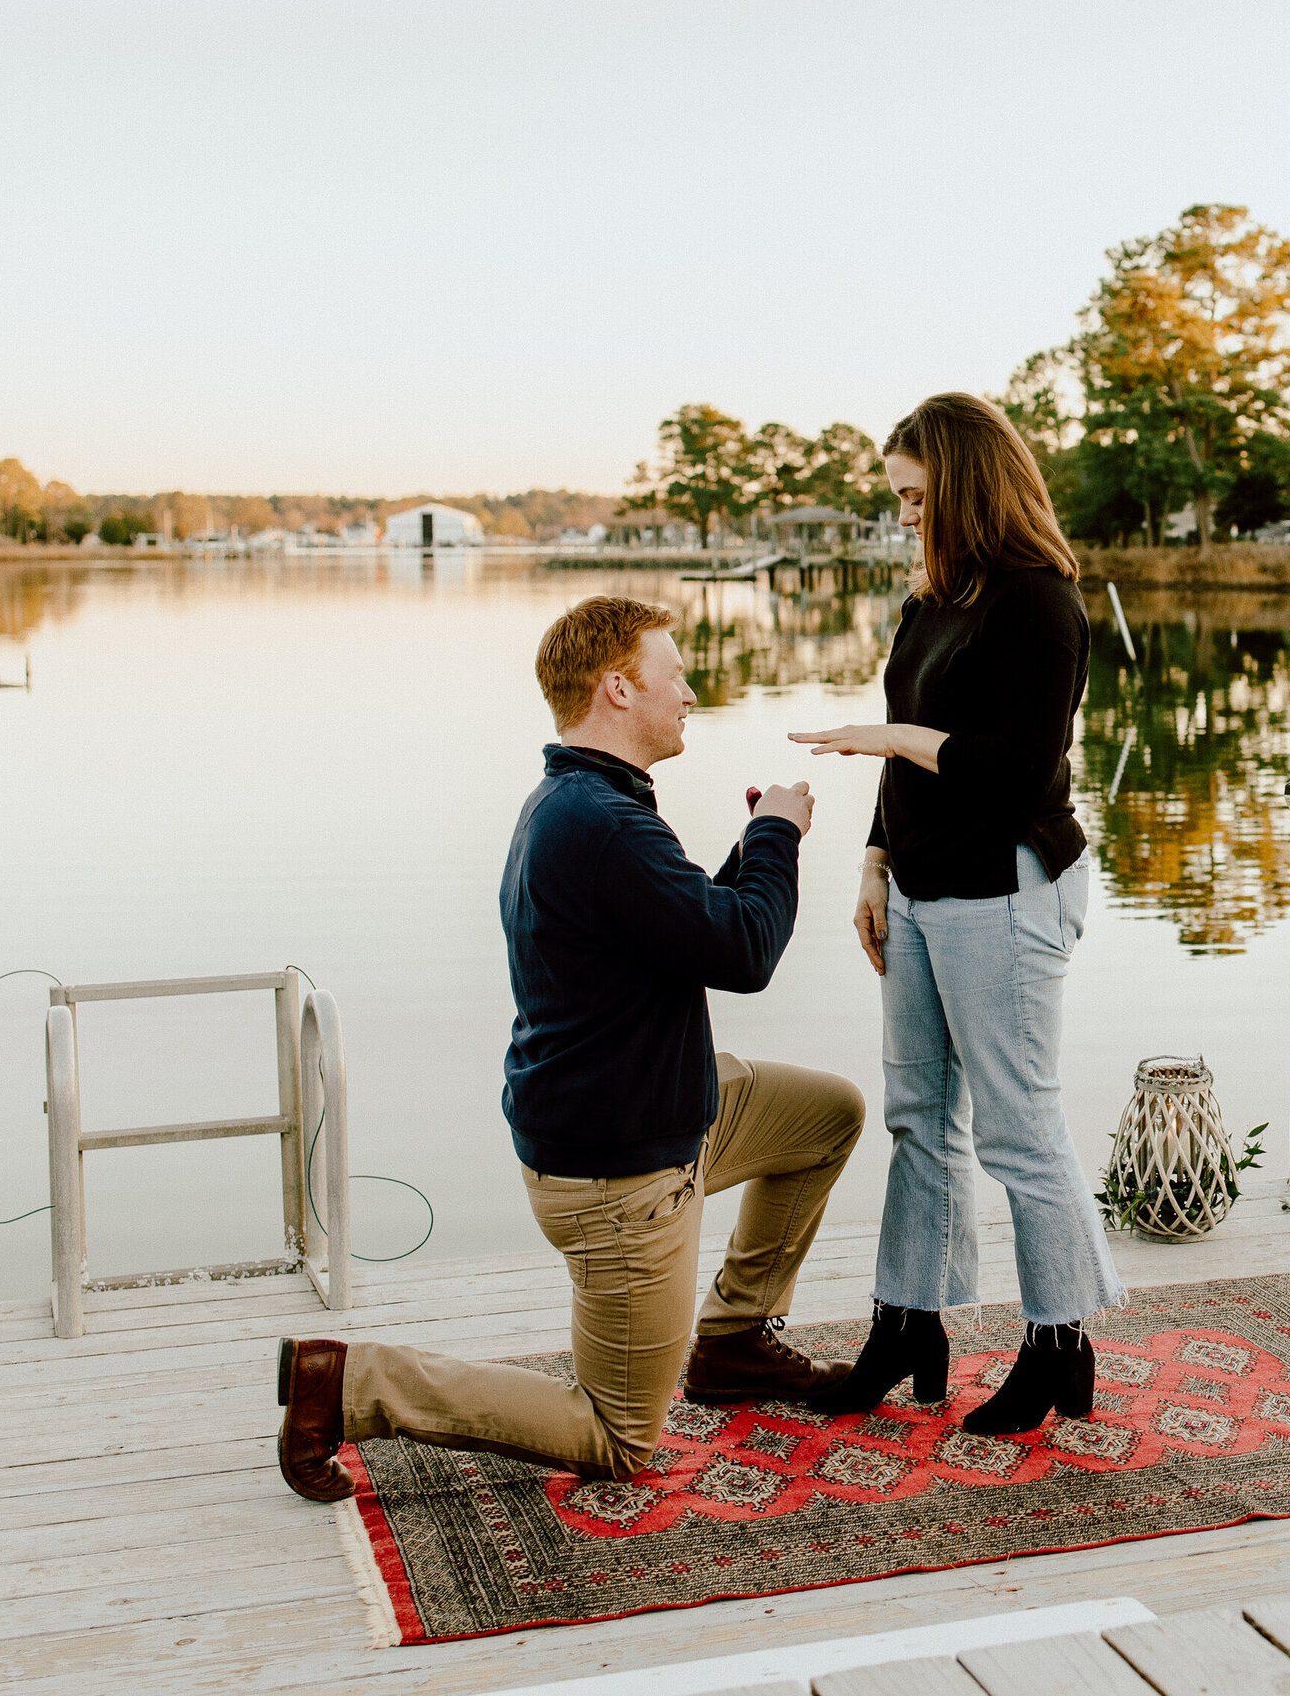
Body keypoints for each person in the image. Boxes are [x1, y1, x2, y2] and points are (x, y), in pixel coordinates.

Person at [275, 595, 866, 1499]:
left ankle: (738, 1337)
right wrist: (779, 833)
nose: (692, 692)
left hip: (667, 1101)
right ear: (619, 687)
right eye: (675, 676)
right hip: (620, 1174)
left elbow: (692, 925)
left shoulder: (585, 801)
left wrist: (753, 844)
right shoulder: (603, 824)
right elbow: (745, 953)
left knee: (829, 1114)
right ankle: (351, 1383)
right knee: (620, 1436)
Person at [788, 391, 1123, 1436]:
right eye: (896, 498)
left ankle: (1060, 1342)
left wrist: (891, 740)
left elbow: (1015, 765)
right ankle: (907, 1323)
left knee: (1019, 1123)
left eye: (915, 496)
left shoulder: (1039, 602)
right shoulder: (933, 601)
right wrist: (874, 862)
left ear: (964, 488)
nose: (902, 516)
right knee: (917, 1116)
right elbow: (910, 742)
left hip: (1009, 884)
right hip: (925, 884)